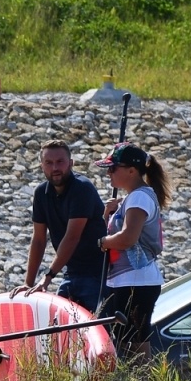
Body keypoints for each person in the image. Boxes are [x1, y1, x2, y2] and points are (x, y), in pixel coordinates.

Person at [96, 144, 171, 360]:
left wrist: (102, 242)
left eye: (113, 168)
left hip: (136, 281)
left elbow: (128, 238)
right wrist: (109, 214)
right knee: (123, 340)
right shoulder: (133, 198)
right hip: (126, 280)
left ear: (132, 171)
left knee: (135, 342)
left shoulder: (139, 198)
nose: (108, 173)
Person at [15, 140, 107, 313]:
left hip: (99, 273)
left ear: (71, 163)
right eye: (49, 163)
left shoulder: (82, 188)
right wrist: (28, 282)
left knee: (98, 330)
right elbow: (39, 239)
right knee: (60, 330)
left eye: (60, 162)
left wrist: (48, 277)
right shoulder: (41, 193)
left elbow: (72, 237)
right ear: (41, 166)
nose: (55, 168)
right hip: (71, 271)